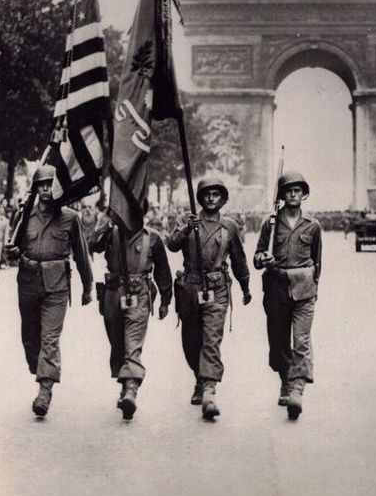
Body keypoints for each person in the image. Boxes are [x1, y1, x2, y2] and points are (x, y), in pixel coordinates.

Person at [167, 177, 251, 421]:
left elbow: (239, 259)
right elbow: (171, 245)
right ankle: (199, 378)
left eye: (216, 194)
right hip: (191, 288)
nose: (211, 198)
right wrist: (185, 229)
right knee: (191, 342)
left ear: (222, 198)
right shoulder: (186, 219)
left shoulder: (229, 227)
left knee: (212, 339)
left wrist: (245, 287)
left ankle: (210, 391)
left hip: (217, 288)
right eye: (207, 194)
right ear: (200, 198)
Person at [13, 165, 93, 417]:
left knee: (50, 338)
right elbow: (12, 247)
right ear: (36, 188)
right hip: (27, 282)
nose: (47, 190)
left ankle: (44, 390)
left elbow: (82, 254)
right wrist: (12, 252)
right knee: (30, 337)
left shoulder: (70, 218)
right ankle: (38, 368)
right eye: (42, 185)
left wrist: (87, 286)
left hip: (56, 286)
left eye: (51, 185)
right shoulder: (24, 216)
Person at [90, 210, 172, 420]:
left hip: (140, 294)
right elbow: (94, 245)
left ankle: (131, 389)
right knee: (118, 343)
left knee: (132, 344)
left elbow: (163, 270)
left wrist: (165, 299)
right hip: (113, 294)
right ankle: (125, 383)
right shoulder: (111, 233)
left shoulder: (152, 237)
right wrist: (108, 222)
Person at [254, 171, 322, 421]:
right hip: (276, 288)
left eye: (298, 189)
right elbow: (257, 256)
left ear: (303, 194)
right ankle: (285, 378)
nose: (293, 194)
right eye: (288, 190)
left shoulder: (313, 225)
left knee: (302, 341)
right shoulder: (269, 223)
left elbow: (317, 261)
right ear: (282, 194)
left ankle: (296, 389)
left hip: (304, 290)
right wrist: (264, 258)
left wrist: (315, 290)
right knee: (279, 340)